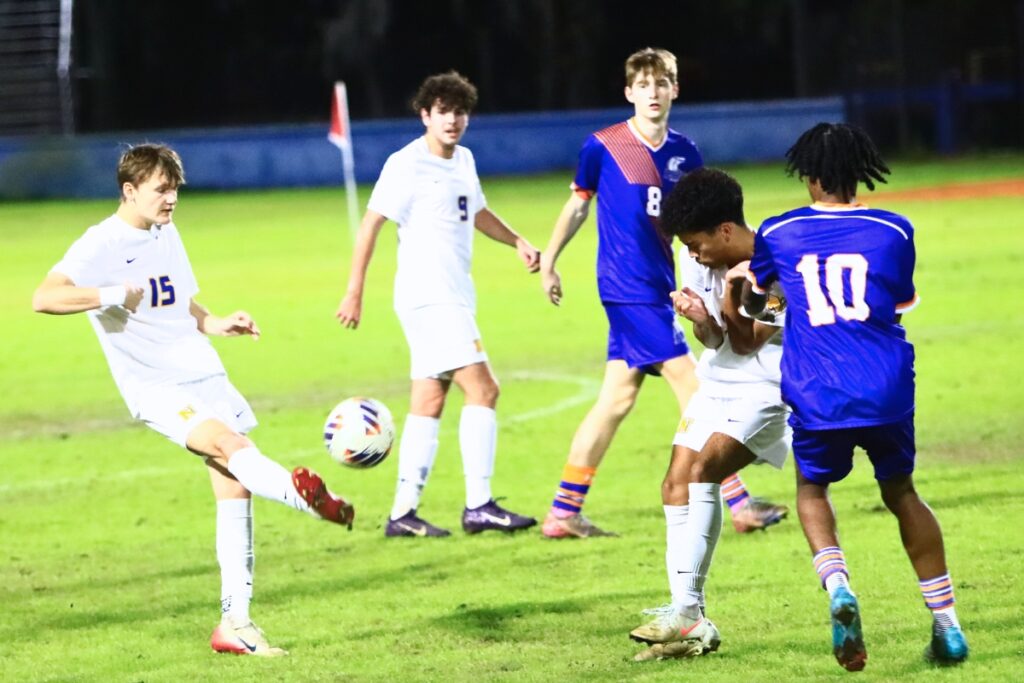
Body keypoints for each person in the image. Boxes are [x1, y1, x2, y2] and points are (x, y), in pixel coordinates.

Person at [32, 143, 353, 657]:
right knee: (228, 444)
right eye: (162, 189)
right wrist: (110, 293)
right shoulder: (100, 244)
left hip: (201, 370)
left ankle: (236, 624)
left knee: (234, 489)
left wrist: (215, 321)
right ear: (129, 190)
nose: (172, 198)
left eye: (175, 188)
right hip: (156, 386)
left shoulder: (165, 231)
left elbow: (177, 298)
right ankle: (306, 499)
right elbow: (44, 297)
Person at [741, 123, 968, 670]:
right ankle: (947, 623)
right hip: (885, 387)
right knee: (902, 494)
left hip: (819, 391)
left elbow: (763, 310)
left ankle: (839, 584)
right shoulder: (895, 230)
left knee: (812, 489)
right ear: (857, 171)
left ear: (811, 176)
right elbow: (895, 304)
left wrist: (758, 298)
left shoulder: (778, 230)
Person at [538, 47, 788, 538]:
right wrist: (549, 259)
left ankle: (563, 512)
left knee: (614, 400)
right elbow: (577, 206)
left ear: (676, 89)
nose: (653, 93)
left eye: (662, 83)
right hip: (629, 289)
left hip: (663, 285)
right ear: (629, 92)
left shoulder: (686, 153)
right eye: (644, 85)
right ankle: (739, 502)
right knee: (696, 387)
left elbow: (704, 224)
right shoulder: (604, 146)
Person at [337, 71, 539, 537]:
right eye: (443, 111)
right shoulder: (405, 164)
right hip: (429, 297)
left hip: (453, 295)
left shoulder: (464, 160)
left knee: (429, 400)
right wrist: (354, 290)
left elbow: (478, 211)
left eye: (460, 111)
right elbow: (370, 226)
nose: (453, 120)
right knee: (485, 390)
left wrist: (517, 242)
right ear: (425, 114)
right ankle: (479, 504)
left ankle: (402, 514)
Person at [627, 168, 792, 661]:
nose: (694, 255)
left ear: (725, 230)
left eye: (698, 244)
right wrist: (701, 321)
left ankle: (686, 615)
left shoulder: (777, 265)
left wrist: (730, 296)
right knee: (675, 483)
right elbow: (720, 341)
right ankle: (690, 619)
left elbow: (748, 340)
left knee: (702, 472)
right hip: (718, 379)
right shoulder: (694, 253)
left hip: (768, 386)